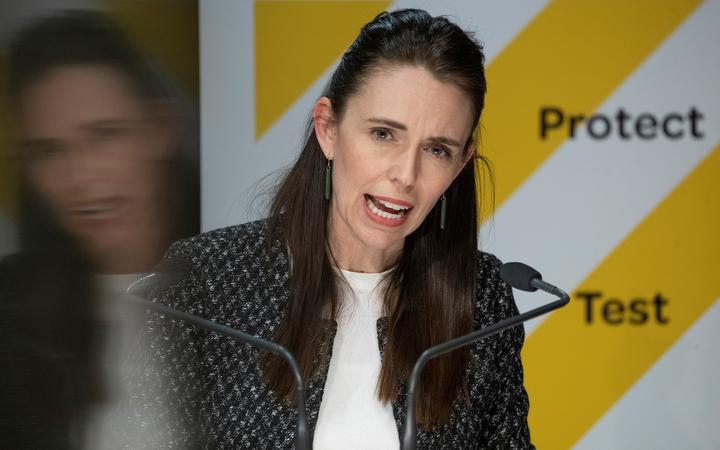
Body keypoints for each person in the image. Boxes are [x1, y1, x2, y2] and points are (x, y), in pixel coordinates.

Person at [143, 8, 533, 449]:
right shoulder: (206, 281)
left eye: (438, 149)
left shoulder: (484, 300)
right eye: (384, 134)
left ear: (461, 163)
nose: (405, 174)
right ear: (328, 128)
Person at [0, 10, 198, 448]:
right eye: (50, 151)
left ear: (161, 129)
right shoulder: (10, 314)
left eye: (104, 135)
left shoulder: (255, 289)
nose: (81, 176)